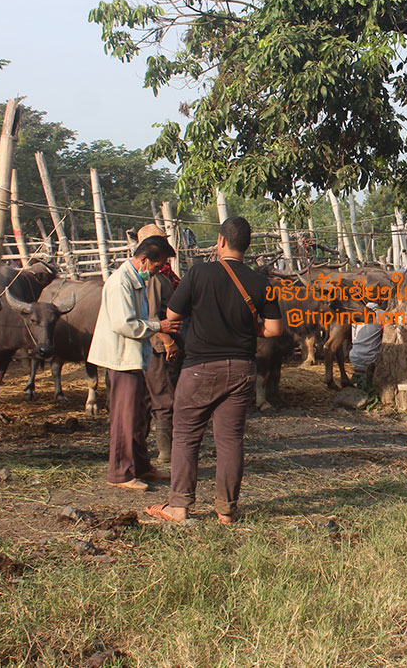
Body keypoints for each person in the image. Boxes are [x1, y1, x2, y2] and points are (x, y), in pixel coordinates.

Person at [146, 217, 283, 524]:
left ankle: (179, 506)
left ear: (221, 241)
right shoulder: (262, 283)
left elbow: (172, 314)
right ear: (246, 246)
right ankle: (227, 509)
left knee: (185, 437)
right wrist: (251, 329)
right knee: (231, 439)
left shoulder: (199, 273)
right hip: (242, 369)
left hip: (199, 369)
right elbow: (273, 330)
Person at [88, 235, 180, 491]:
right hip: (121, 360)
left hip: (135, 358)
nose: (158, 270)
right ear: (143, 260)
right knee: (125, 417)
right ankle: (120, 473)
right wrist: (158, 326)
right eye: (157, 265)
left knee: (139, 415)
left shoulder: (135, 280)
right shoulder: (120, 283)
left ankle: (141, 466)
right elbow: (123, 324)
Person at [137, 224, 181, 464]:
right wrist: (167, 342)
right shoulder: (154, 278)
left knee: (149, 397)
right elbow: (153, 315)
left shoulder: (160, 276)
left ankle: (143, 448)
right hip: (158, 346)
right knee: (163, 396)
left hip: (152, 344)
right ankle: (166, 451)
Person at [349, 302, 384, 381]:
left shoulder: (356, 314)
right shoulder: (383, 314)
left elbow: (353, 339)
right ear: (379, 298)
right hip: (371, 358)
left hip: (354, 356)